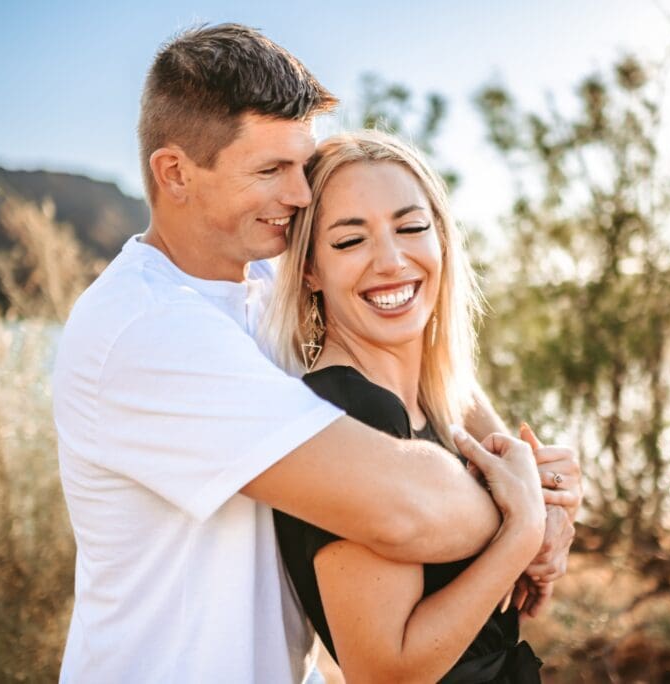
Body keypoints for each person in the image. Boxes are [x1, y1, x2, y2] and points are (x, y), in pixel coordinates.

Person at [52, 23, 579, 683]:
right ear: (175, 173)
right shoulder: (147, 333)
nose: (301, 196)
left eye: (302, 167)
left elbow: (420, 357)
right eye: (270, 170)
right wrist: (522, 516)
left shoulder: (268, 280)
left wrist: (521, 465)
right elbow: (403, 508)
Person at [268, 130, 568, 682]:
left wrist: (549, 501)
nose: (390, 260)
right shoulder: (351, 412)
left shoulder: (429, 403)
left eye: (410, 228)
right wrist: (520, 533)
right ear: (310, 269)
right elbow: (386, 671)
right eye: (350, 241)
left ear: (443, 241)